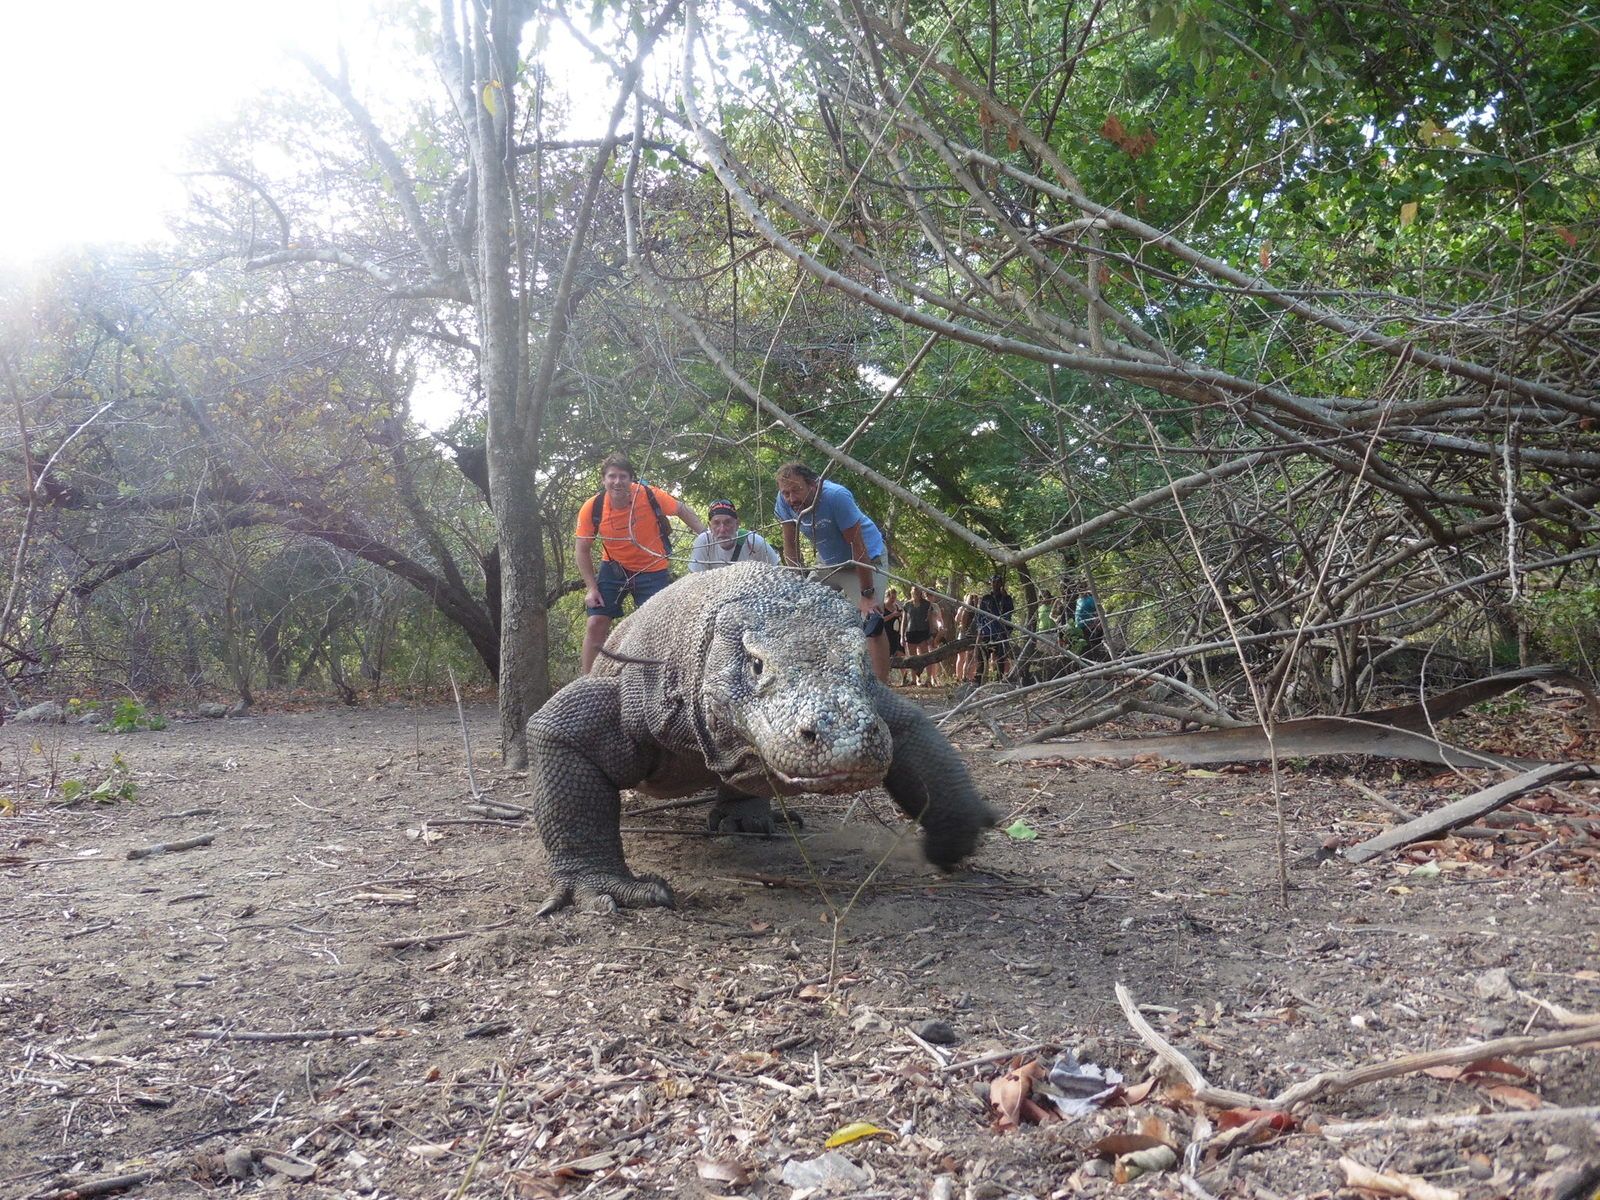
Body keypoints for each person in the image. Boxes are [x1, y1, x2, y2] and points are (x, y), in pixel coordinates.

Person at [575, 452, 705, 673]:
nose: (617, 482)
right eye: (612, 476)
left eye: (623, 476)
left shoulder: (648, 495)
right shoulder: (593, 506)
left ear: (631, 478)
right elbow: (581, 549)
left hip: (652, 569)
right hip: (614, 569)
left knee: (660, 627)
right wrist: (591, 588)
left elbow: (681, 509)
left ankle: (662, 677)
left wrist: (707, 537)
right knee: (595, 622)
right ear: (603, 479)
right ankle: (586, 683)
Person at [774, 462, 891, 682]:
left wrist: (867, 596)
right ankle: (813, 678)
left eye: (796, 490)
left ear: (813, 484)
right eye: (786, 493)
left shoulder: (836, 497)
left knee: (872, 620)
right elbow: (790, 545)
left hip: (865, 559)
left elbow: (858, 545)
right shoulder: (784, 501)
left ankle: (881, 691)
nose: (791, 499)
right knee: (798, 611)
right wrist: (794, 585)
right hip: (827, 562)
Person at [688, 499, 780, 572]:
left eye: (728, 522)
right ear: (710, 527)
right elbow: (695, 582)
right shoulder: (704, 544)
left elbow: (778, 572)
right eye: (716, 523)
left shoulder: (755, 542)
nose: (722, 529)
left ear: (737, 524)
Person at [974, 573, 1016, 684]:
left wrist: (1005, 597)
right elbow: (980, 614)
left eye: (998, 582)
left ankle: (999, 679)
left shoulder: (1006, 598)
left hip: (1001, 632)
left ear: (1001, 584)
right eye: (993, 582)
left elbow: (1009, 612)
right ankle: (979, 679)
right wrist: (980, 628)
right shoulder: (986, 598)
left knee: (1001, 658)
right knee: (982, 657)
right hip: (987, 631)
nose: (995, 584)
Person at [901, 586, 934, 686]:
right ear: (912, 592)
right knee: (912, 657)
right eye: (914, 591)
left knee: (925, 656)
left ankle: (928, 679)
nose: (916, 593)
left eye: (918, 591)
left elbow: (930, 620)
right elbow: (904, 621)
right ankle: (914, 679)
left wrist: (931, 634)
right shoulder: (907, 605)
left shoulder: (927, 604)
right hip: (911, 632)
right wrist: (902, 636)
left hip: (923, 632)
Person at [881, 587, 904, 682]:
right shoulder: (882, 607)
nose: (893, 600)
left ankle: (904, 677)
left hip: (896, 634)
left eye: (895, 598)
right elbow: (881, 620)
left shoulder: (897, 607)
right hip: (886, 634)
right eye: (891, 598)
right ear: (887, 597)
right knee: (886, 655)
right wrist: (892, 615)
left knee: (901, 654)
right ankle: (886, 678)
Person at [1074, 587, 1105, 656]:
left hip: (1088, 625)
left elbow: (1100, 612)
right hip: (1081, 626)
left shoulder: (1090, 600)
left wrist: (1097, 622)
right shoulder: (1079, 600)